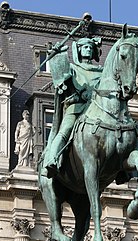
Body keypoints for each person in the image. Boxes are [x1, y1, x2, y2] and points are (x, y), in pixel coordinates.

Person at [41, 37, 103, 177]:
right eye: (85, 47)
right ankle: (52, 160)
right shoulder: (73, 68)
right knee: (65, 131)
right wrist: (56, 56)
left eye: (90, 47)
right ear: (79, 50)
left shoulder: (101, 72)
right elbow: (59, 78)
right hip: (75, 108)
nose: (88, 49)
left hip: (96, 110)